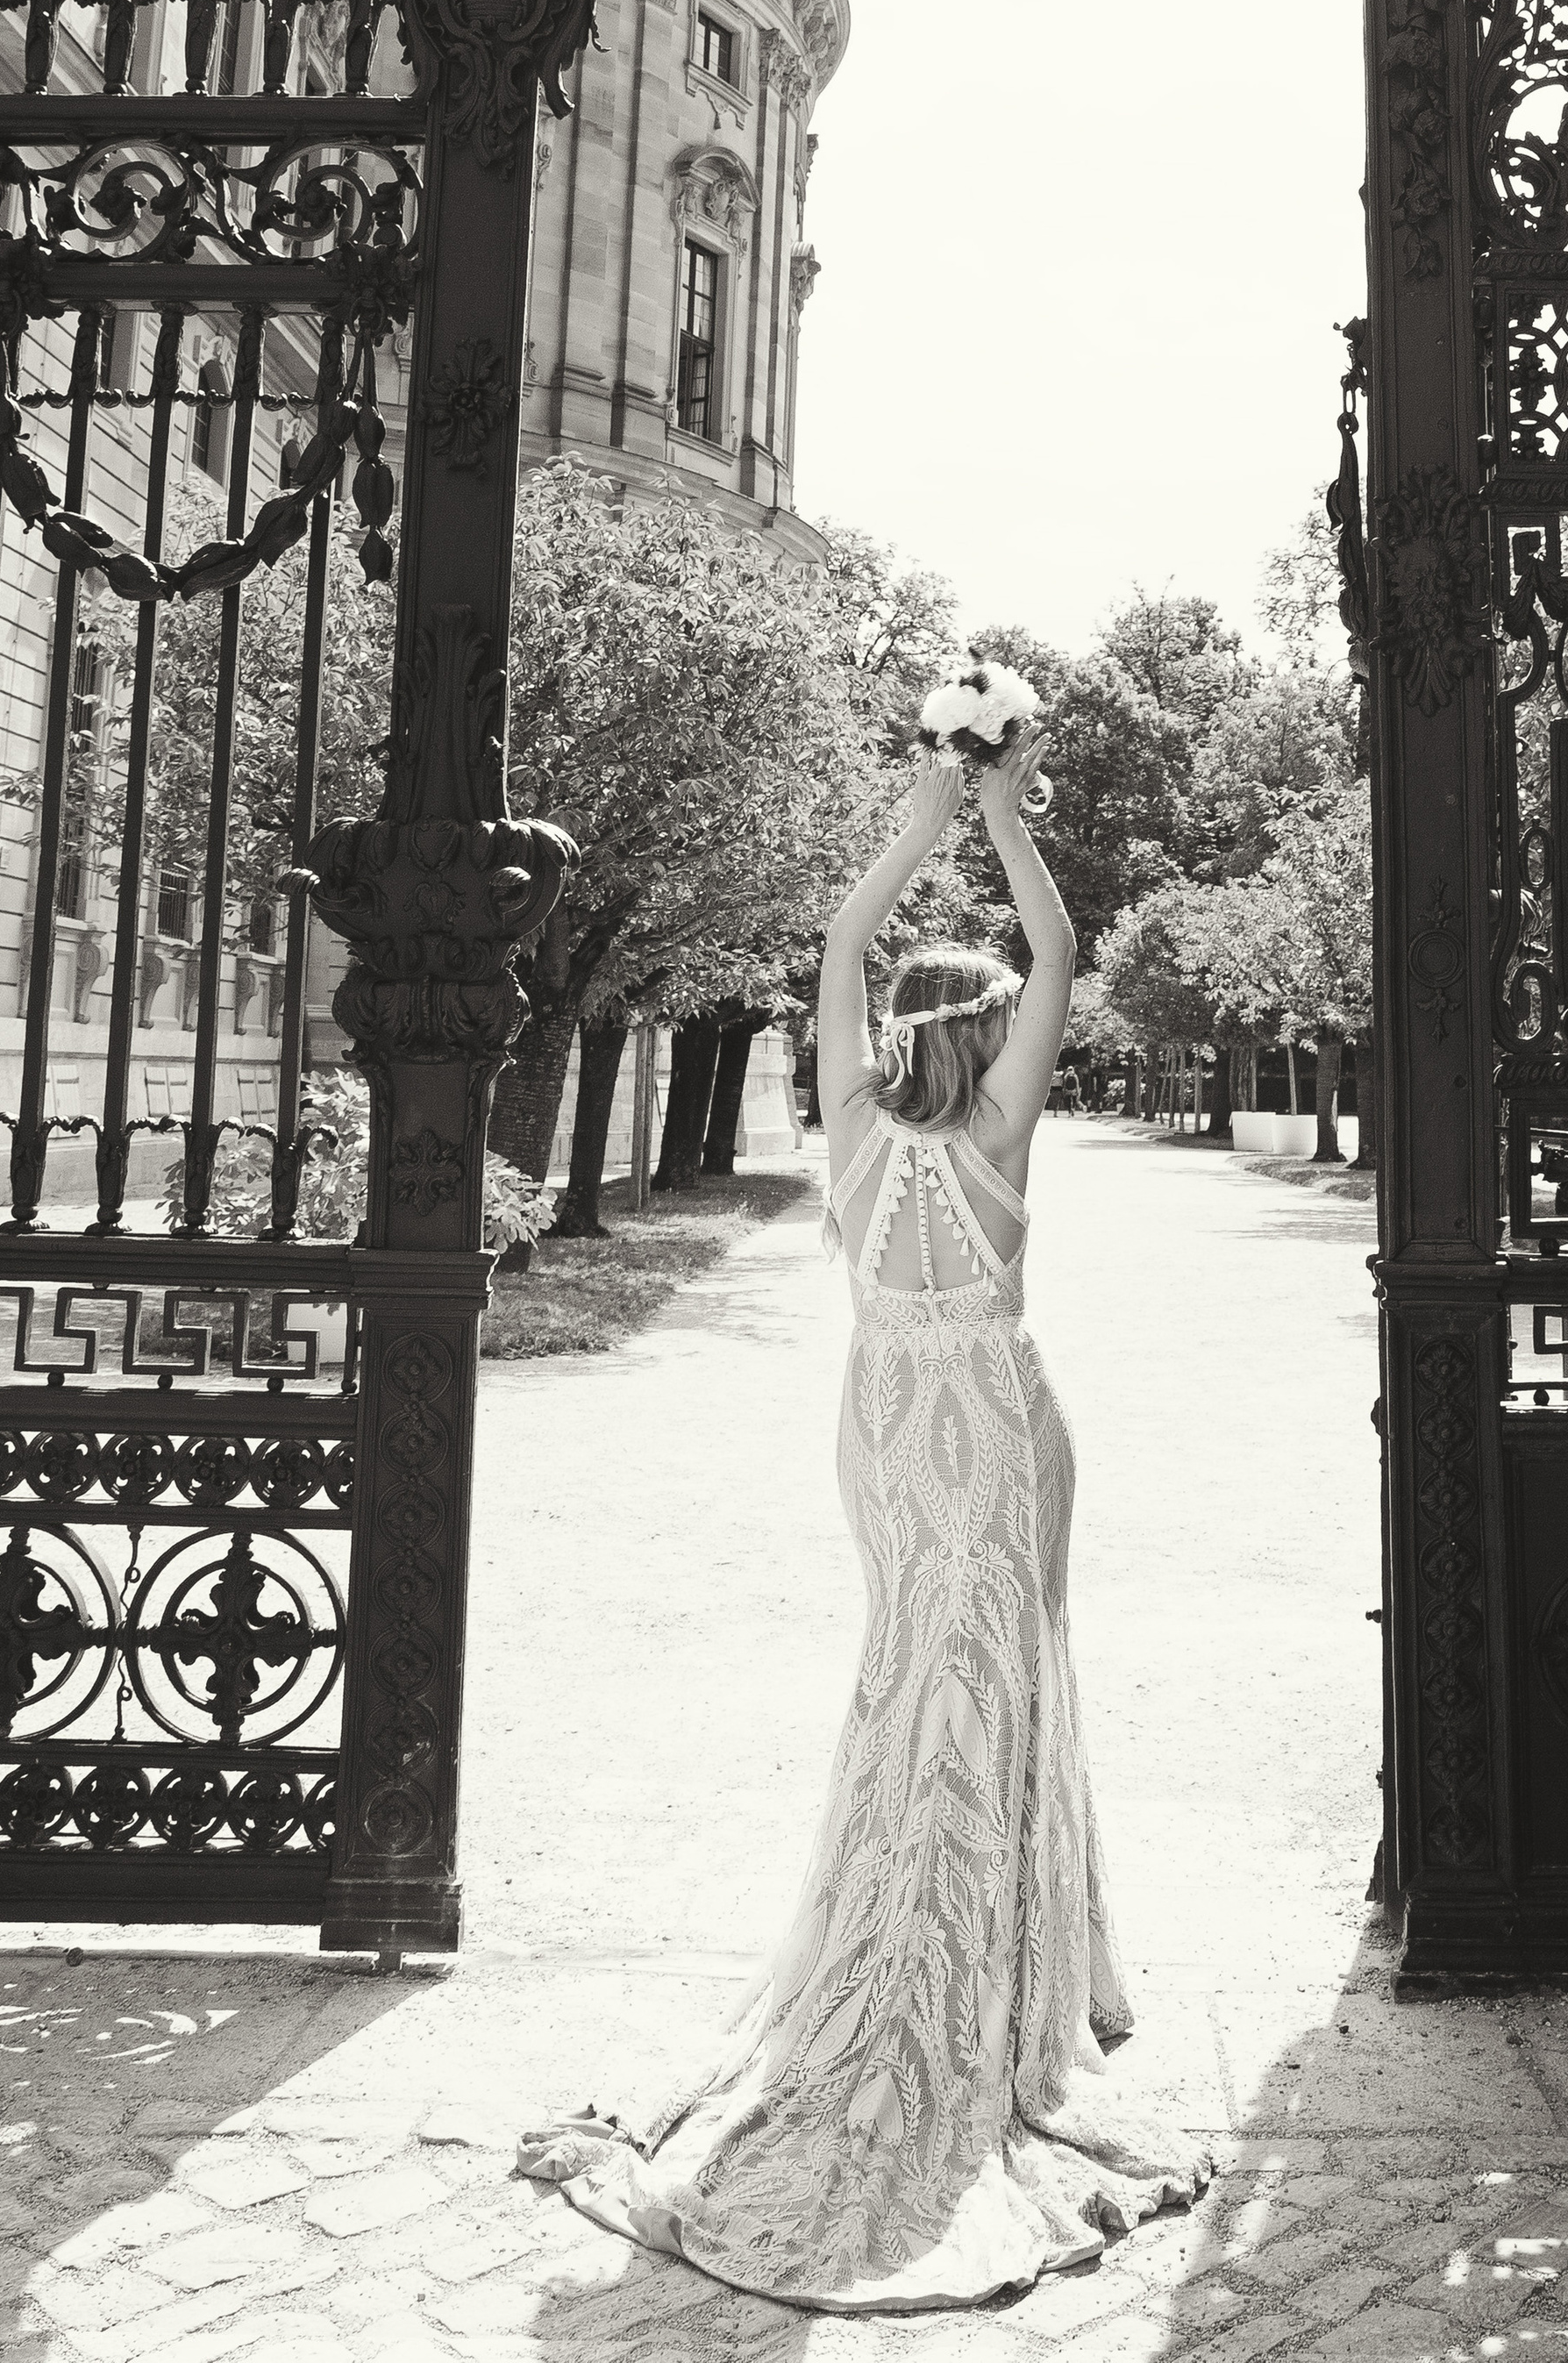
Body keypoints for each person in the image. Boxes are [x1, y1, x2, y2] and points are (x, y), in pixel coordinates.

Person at [518, 737, 1213, 2310]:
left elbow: (839, 945)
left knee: (912, 1670)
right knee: (1013, 1663)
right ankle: (997, 1961)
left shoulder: (846, 1125)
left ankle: (946, 1914)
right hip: (995, 1421)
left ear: (903, 1027)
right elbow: (1064, 950)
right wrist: (1005, 812)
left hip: (886, 1434)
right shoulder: (1003, 1136)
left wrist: (916, 824)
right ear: (990, 1033)